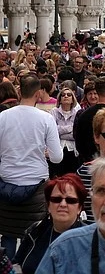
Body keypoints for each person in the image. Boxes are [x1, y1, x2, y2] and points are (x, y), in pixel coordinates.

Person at [0, 75, 63, 260]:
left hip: (6, 182)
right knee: (36, 234)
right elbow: (57, 157)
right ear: (38, 94)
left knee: (8, 234)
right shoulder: (45, 118)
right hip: (36, 183)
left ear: (19, 91)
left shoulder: (2, 117)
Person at [12, 174, 86, 274]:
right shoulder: (35, 232)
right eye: (56, 199)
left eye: (70, 200)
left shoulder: (89, 240)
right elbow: (16, 265)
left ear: (79, 208)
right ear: (48, 206)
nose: (63, 204)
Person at [49, 86, 81, 178]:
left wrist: (60, 131)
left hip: (73, 151)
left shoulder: (77, 112)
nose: (66, 96)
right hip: (58, 149)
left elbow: (76, 134)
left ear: (73, 99)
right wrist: (70, 128)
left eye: (69, 95)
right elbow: (52, 132)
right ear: (59, 99)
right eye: (63, 95)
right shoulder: (53, 112)